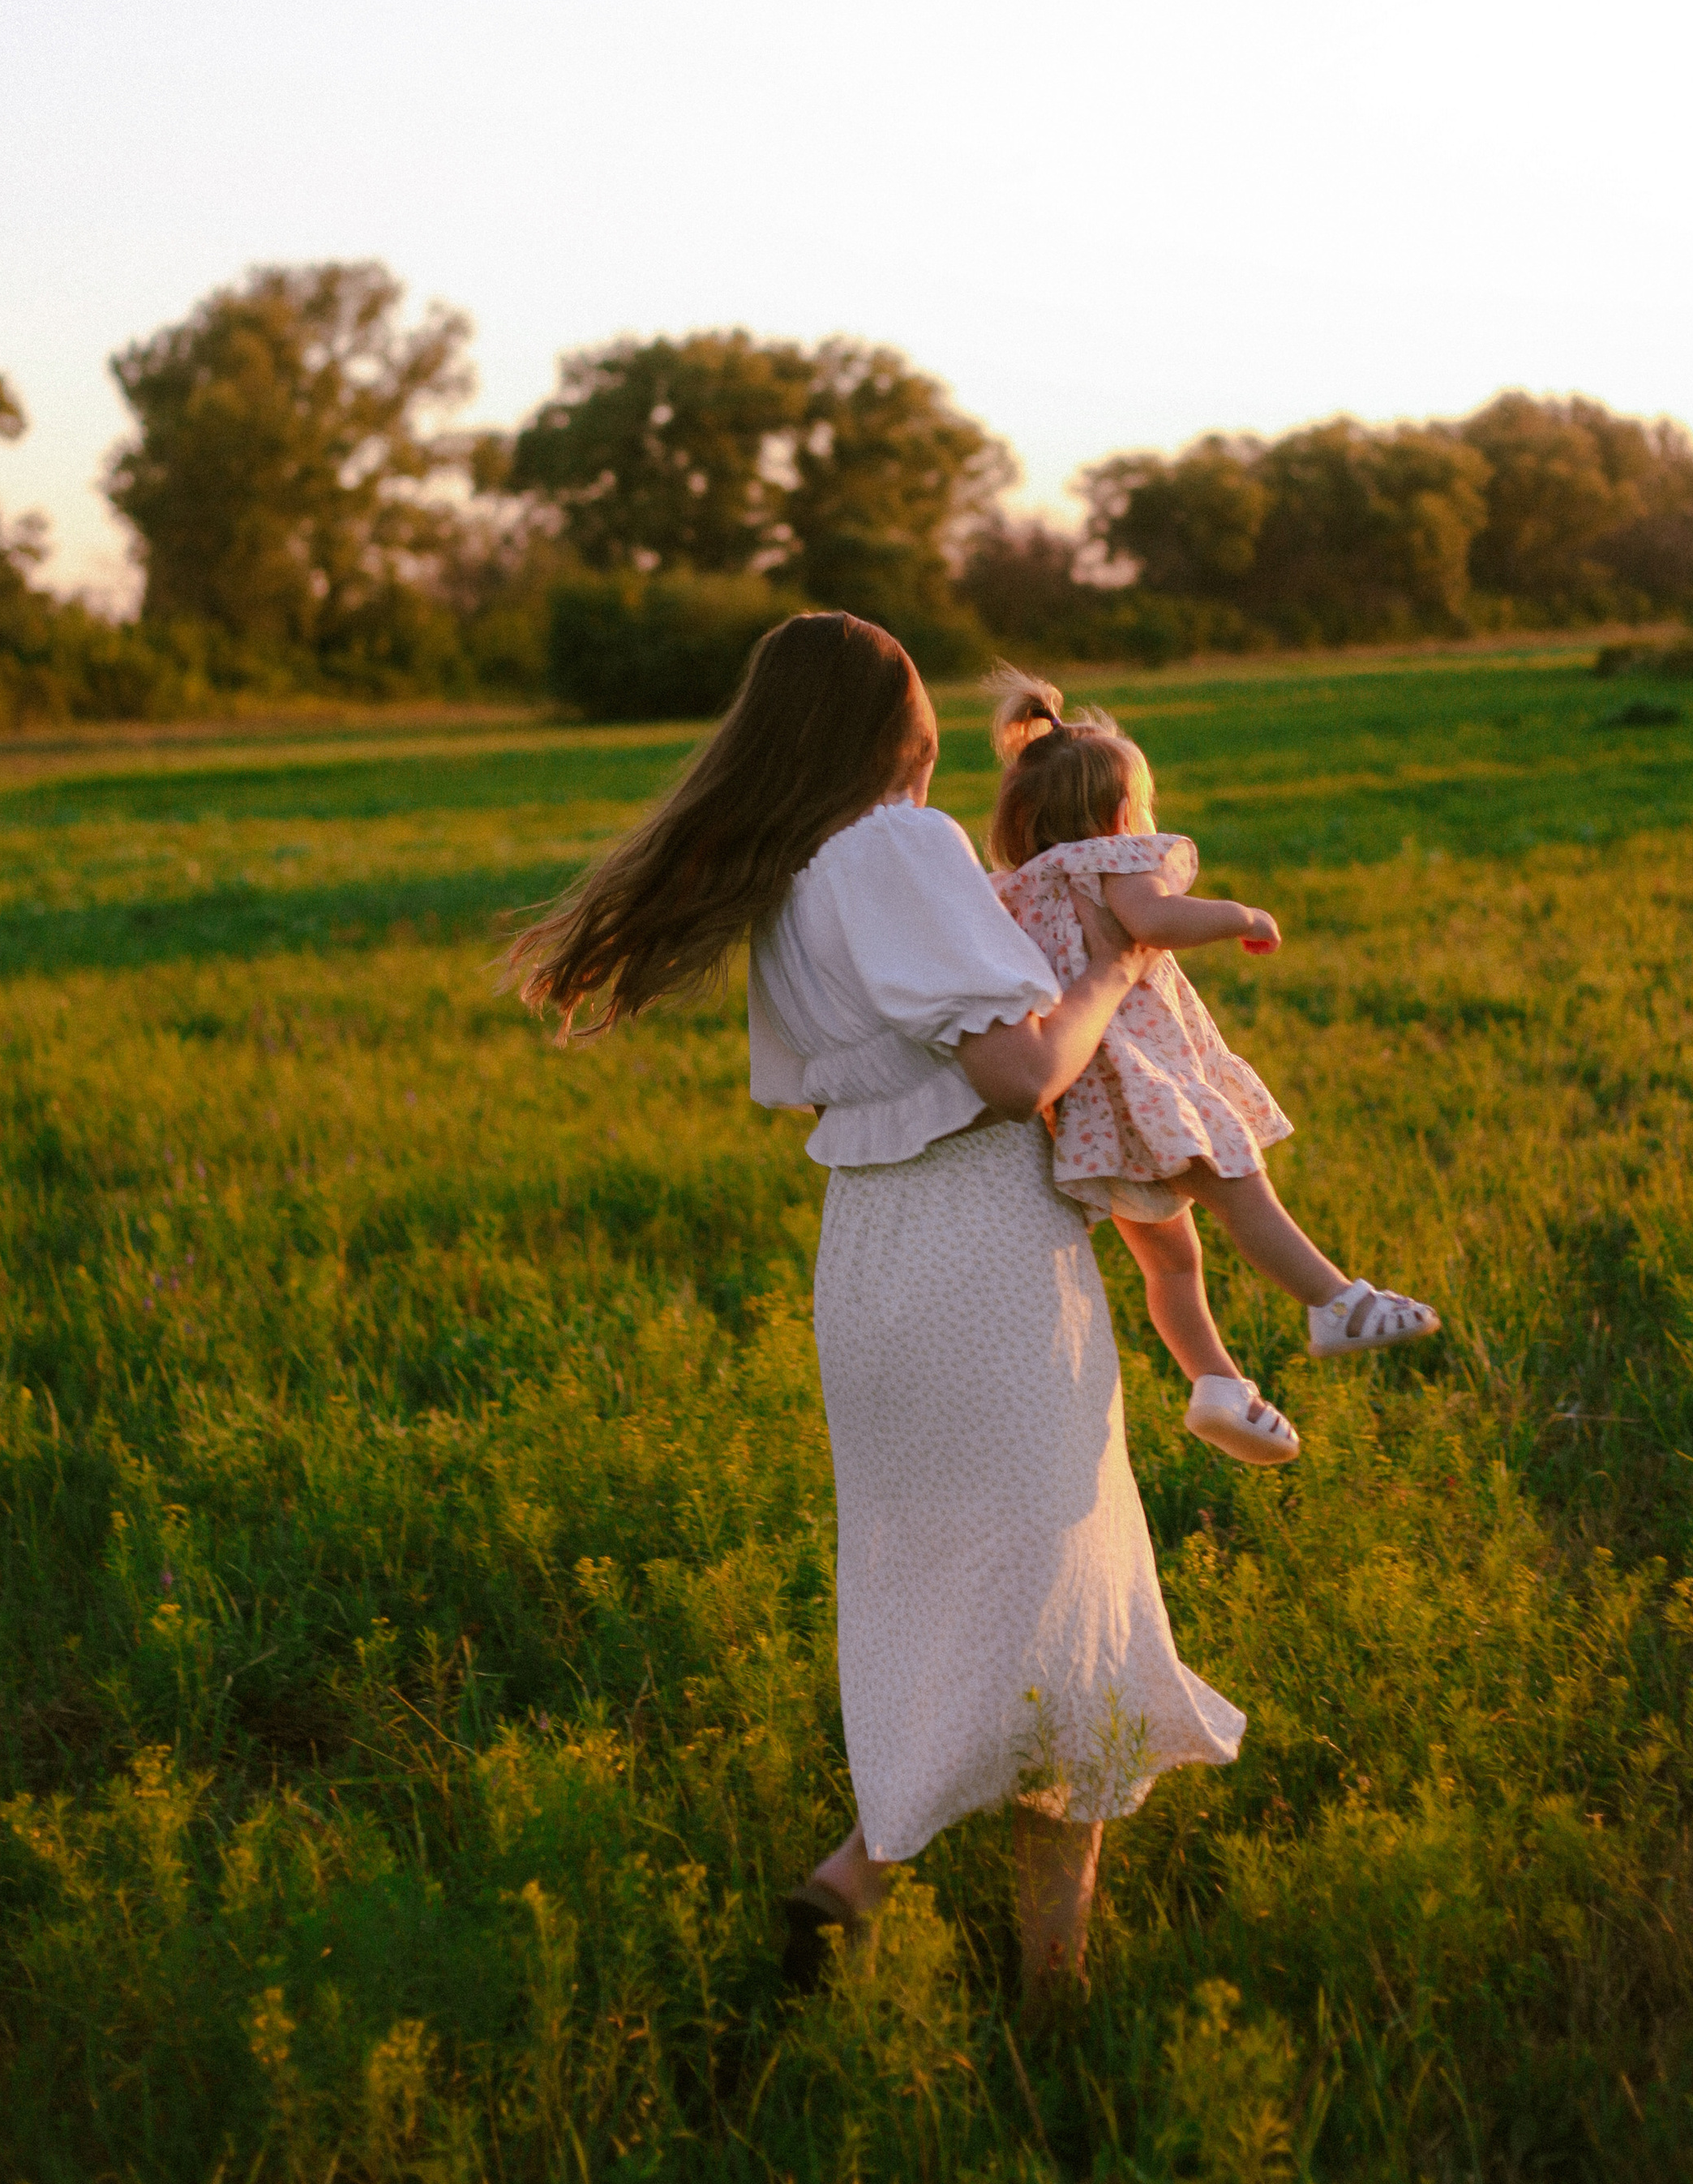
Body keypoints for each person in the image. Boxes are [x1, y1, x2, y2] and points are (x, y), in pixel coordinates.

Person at [508, 610, 1244, 2015]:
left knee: (959, 1587)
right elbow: (1019, 1077)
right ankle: (1040, 1986)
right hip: (981, 1243)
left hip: (873, 1256)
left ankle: (868, 1875)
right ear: (898, 725)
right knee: (1064, 1592)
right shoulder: (898, 847)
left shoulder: (789, 875)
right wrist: (1112, 967)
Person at [987, 673, 1439, 1468]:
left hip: (1090, 1108)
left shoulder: (1017, 890)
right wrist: (1242, 916)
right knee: (1241, 1190)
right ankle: (1336, 1303)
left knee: (1169, 1262)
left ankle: (1218, 1385)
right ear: (1120, 814)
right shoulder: (1111, 859)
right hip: (1149, 1086)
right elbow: (1154, 918)